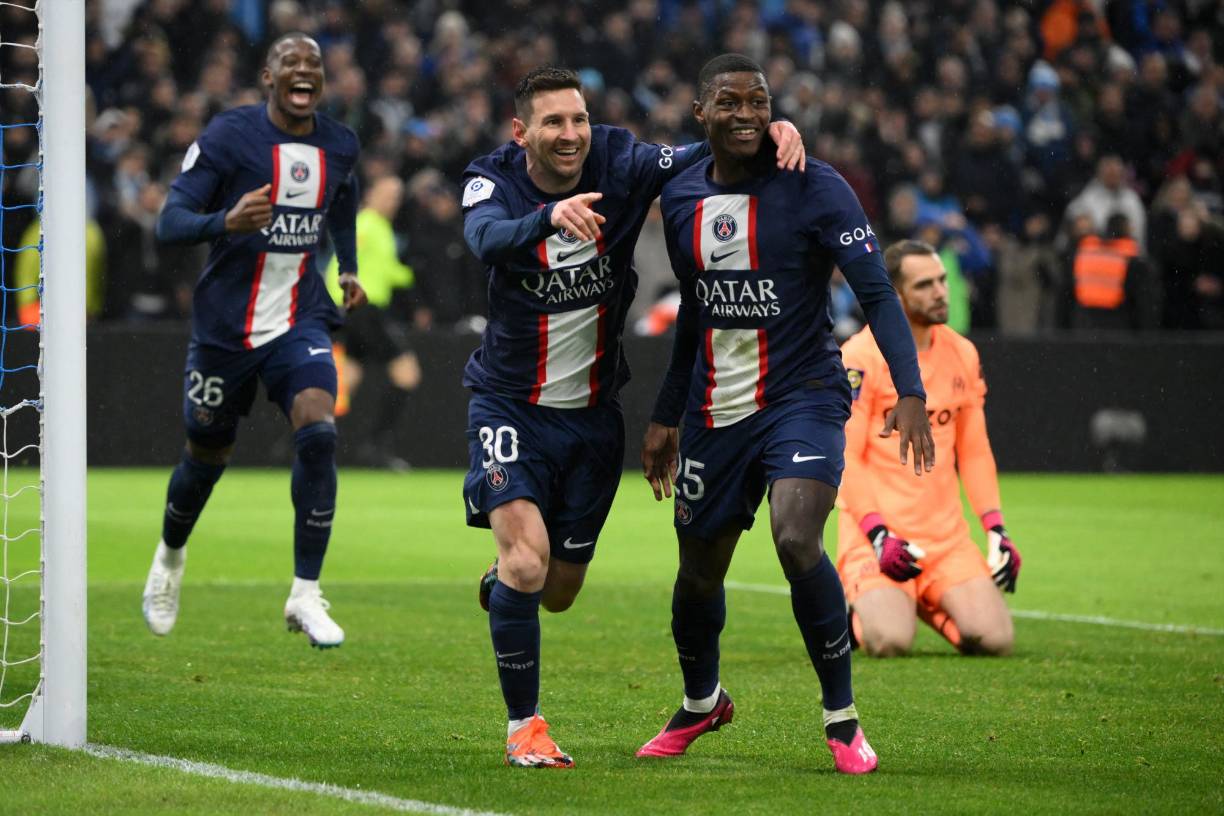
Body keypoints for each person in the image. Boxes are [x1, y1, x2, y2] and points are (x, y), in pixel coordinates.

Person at [459, 65, 806, 768]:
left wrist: (771, 134)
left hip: (592, 418)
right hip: (509, 406)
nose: (570, 135)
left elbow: (711, 149)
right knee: (528, 562)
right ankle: (524, 729)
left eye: (579, 120)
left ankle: (504, 588)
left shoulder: (623, 161)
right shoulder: (492, 178)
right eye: (553, 123)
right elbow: (483, 238)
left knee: (555, 590)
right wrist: (547, 218)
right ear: (521, 132)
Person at [638, 54, 933, 775]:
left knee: (797, 535)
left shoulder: (815, 186)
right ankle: (703, 702)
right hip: (715, 410)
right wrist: (667, 411)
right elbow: (697, 312)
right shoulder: (680, 198)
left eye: (760, 102)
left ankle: (842, 719)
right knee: (699, 573)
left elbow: (877, 293)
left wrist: (911, 390)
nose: (747, 115)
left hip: (804, 394)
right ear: (700, 112)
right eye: (729, 103)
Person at [140, 33, 367, 649]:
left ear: (322, 80)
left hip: (299, 316)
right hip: (225, 329)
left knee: (319, 429)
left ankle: (304, 592)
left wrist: (346, 265)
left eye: (314, 65)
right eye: (290, 63)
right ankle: (170, 557)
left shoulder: (340, 143)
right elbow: (169, 221)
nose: (303, 72)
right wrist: (225, 222)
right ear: (268, 77)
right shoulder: (228, 137)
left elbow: (341, 197)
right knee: (206, 456)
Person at [836, 239, 1021, 659]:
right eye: (924, 285)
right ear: (895, 295)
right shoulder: (861, 356)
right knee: (889, 641)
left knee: (994, 639)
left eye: (941, 280)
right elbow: (844, 456)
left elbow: (974, 451)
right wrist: (878, 534)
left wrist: (996, 528)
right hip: (877, 537)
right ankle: (856, 607)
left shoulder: (962, 352)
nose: (941, 291)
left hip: (945, 540)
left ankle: (918, 599)